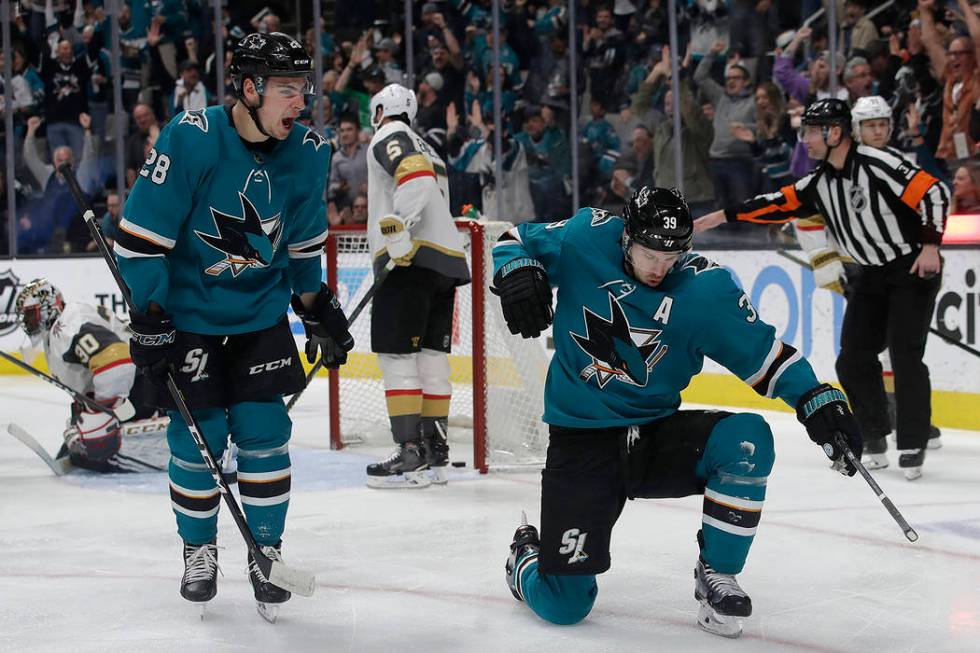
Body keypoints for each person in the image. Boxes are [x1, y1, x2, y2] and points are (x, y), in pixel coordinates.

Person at [492, 185, 864, 638]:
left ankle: (717, 574)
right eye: (650, 254)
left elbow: (770, 359)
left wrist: (817, 401)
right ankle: (526, 556)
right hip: (582, 440)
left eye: (671, 257)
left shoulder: (706, 289)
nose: (659, 268)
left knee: (747, 439)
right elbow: (514, 237)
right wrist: (515, 267)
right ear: (626, 237)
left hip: (654, 435)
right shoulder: (584, 236)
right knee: (564, 605)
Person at [114, 33, 354, 614]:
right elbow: (140, 245)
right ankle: (199, 550)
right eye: (287, 90)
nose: (300, 102)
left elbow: (300, 251)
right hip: (190, 320)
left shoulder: (309, 152)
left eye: (304, 89)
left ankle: (265, 552)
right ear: (249, 89)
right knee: (199, 443)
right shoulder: (191, 140)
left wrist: (316, 306)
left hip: (258, 319)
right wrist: (149, 319)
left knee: (265, 436)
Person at [695, 99, 949, 481]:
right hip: (870, 274)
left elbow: (933, 193)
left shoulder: (877, 164)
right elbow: (779, 202)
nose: (805, 140)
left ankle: (912, 441)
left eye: (811, 131)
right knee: (852, 358)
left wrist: (930, 245)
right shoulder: (819, 182)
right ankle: (876, 433)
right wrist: (722, 215)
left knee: (905, 353)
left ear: (834, 132)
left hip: (910, 268)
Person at [364, 83, 471, 488]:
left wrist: (398, 230)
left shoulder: (389, 135)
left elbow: (414, 179)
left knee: (398, 358)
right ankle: (435, 454)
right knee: (432, 362)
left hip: (408, 259)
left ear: (379, 111)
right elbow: (429, 181)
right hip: (443, 263)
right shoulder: (431, 148)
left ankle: (410, 453)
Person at [14, 279, 154, 472]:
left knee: (96, 451)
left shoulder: (68, 325)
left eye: (31, 315)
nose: (28, 323)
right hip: (136, 385)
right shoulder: (58, 330)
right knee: (80, 444)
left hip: (144, 387)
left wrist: (103, 413)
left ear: (49, 306)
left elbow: (117, 362)